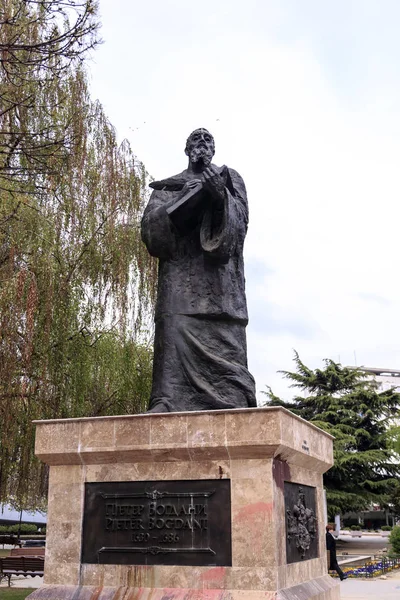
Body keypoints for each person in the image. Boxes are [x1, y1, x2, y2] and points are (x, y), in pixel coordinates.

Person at [141, 128, 256, 412]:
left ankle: (235, 401)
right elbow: (151, 232)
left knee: (229, 356)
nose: (202, 143)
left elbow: (240, 223)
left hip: (219, 288)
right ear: (187, 149)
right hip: (180, 283)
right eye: (196, 139)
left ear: (214, 149)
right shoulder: (166, 188)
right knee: (173, 330)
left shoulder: (231, 179)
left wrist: (220, 199)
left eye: (207, 140)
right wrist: (180, 207)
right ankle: (166, 400)